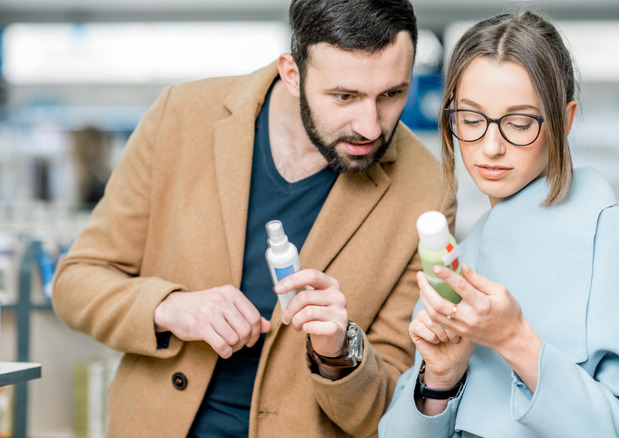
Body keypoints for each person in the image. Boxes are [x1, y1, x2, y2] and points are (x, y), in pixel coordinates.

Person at [51, 1, 456, 436]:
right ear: (292, 74)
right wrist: (171, 307)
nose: (372, 127)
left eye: (392, 94)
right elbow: (76, 282)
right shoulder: (181, 116)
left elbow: (391, 404)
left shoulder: (425, 191)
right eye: (345, 96)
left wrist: (340, 351)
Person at [379, 10, 619, 438]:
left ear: (565, 120)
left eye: (519, 123)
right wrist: (440, 379)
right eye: (471, 119)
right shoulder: (458, 260)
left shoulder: (610, 238)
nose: (491, 147)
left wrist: (515, 340)